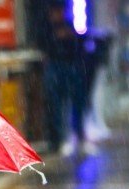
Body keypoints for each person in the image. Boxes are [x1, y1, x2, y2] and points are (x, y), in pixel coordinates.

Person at [36, 0, 91, 157]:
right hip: (56, 66)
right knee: (55, 104)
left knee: (76, 102)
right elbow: (43, 45)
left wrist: (70, 37)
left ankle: (78, 135)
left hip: (70, 65)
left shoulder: (71, 24)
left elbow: (80, 42)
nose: (57, 15)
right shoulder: (46, 27)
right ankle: (59, 139)